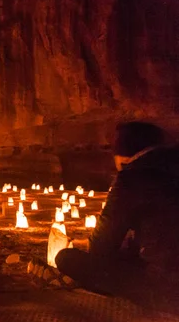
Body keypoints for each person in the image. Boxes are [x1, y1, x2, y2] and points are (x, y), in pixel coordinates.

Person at [55, 121, 179, 310]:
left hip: (166, 288)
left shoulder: (132, 177)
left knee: (66, 258)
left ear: (122, 157)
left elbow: (101, 248)